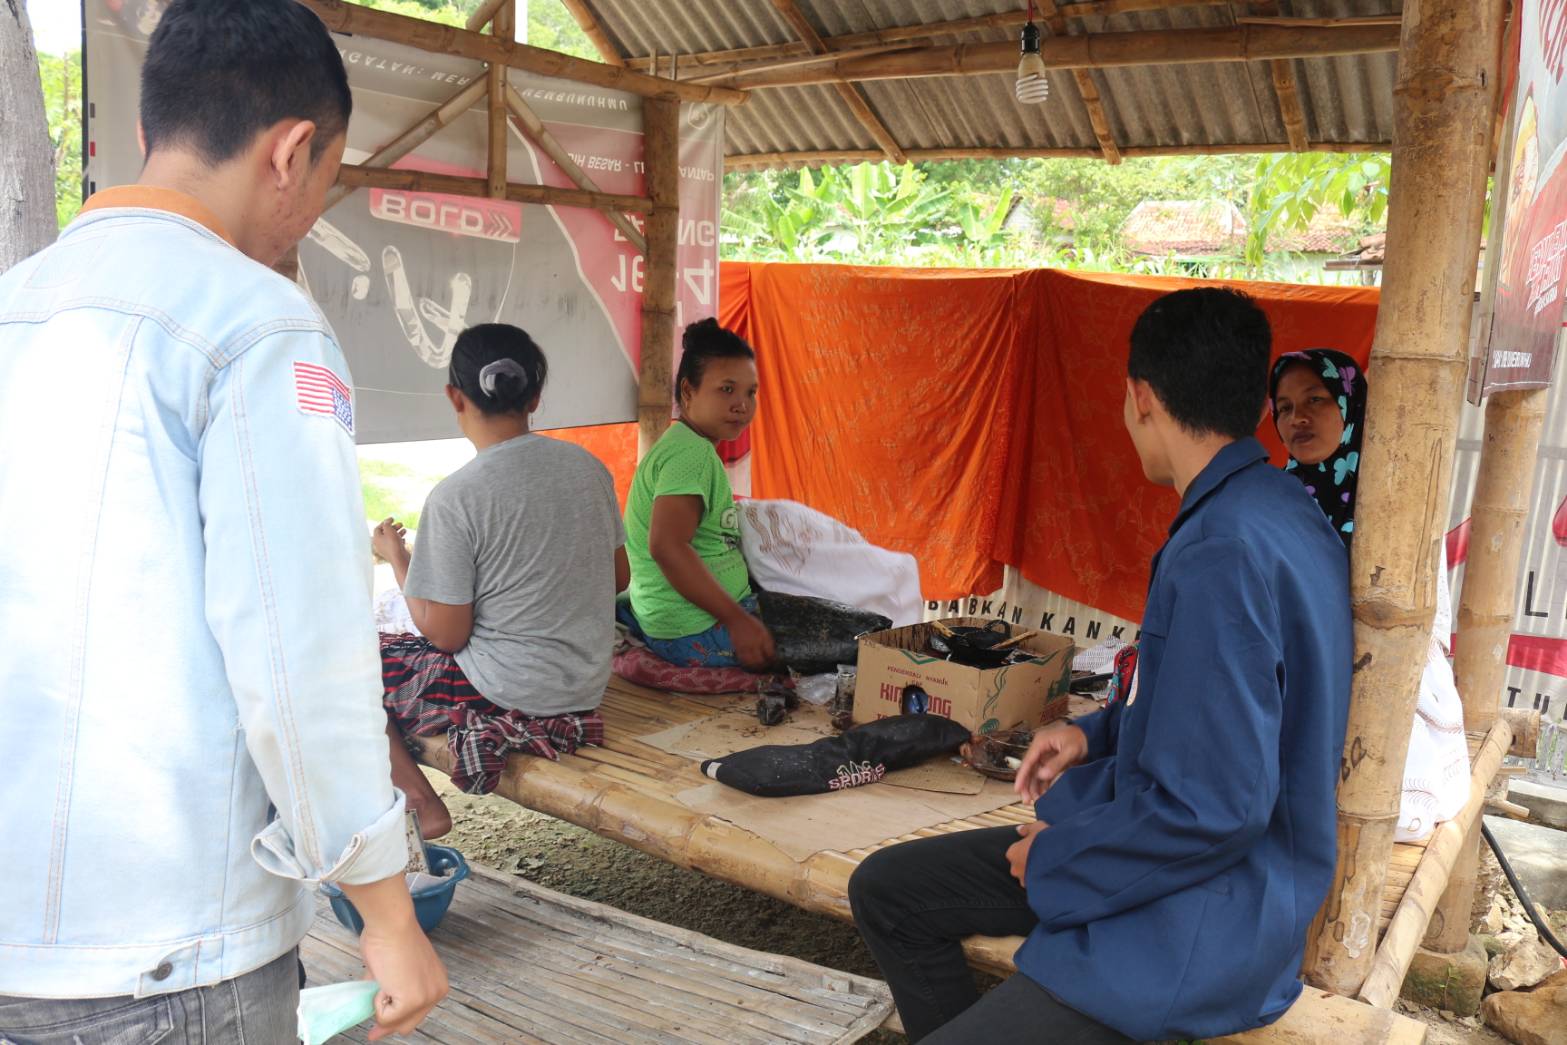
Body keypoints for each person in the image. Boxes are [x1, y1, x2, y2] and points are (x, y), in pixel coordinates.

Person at [0, 1, 447, 1041]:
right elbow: (298, 654)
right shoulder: (257, 323)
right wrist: (384, 908)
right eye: (325, 183)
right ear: (292, 151)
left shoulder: (15, 304)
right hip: (166, 951)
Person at [848, 288, 1353, 1043]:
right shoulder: (1270, 507)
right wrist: (1098, 731)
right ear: (1254, 400)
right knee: (887, 887)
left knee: (986, 877)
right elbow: (1213, 700)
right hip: (1164, 846)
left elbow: (1217, 807)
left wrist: (1059, 858)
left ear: (1140, 397)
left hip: (1205, 911)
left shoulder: (1222, 549)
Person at [371, 324, 628, 829]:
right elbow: (616, 576)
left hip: (506, 690)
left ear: (453, 395)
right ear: (535, 395)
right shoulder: (590, 469)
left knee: (351, 667)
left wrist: (397, 558)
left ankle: (421, 803)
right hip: (582, 684)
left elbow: (446, 635)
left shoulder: (457, 496)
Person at [1271, 349, 1468, 841]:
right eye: (1283, 406)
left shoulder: (1393, 496)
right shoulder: (1272, 496)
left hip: (1377, 680)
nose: (1298, 417)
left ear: (1350, 403)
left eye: (1316, 399)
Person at [622, 318, 776, 669]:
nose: (742, 404)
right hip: (693, 632)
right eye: (726, 389)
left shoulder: (687, 445)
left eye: (750, 392)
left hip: (682, 622)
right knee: (845, 639)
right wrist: (738, 622)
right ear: (688, 392)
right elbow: (666, 546)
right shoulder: (691, 454)